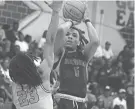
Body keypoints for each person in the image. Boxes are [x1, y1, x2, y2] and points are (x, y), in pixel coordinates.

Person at [8, 1, 63, 109]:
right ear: (30, 65)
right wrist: (56, 12)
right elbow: (50, 41)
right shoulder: (42, 76)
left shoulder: (14, 88)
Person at [54, 4, 99, 109]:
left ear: (79, 42)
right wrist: (71, 22)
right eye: (68, 34)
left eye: (74, 36)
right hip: (62, 100)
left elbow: (95, 41)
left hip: (81, 102)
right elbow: (60, 31)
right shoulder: (59, 52)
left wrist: (87, 20)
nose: (70, 37)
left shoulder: (84, 56)